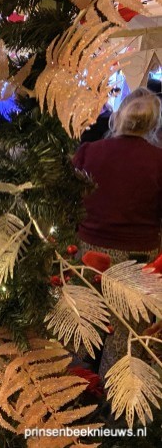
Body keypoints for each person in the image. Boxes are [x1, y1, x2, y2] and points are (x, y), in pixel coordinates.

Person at [72, 88, 162, 377]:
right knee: (125, 338)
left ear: (118, 117)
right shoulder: (158, 161)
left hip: (88, 252)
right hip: (138, 259)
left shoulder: (88, 152)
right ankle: (116, 398)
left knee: (82, 324)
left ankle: (74, 388)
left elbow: (69, 202)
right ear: (153, 123)